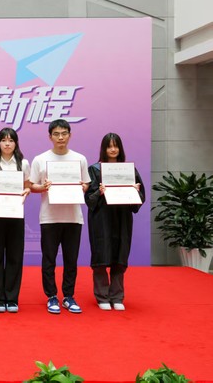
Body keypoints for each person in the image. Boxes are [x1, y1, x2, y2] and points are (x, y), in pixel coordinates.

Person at [29, 119, 90, 314]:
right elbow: (31, 185)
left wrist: (83, 187)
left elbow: (86, 183)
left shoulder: (80, 159)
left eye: (64, 133)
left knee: (71, 260)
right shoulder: (40, 159)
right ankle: (51, 296)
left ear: (70, 135)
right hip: (50, 217)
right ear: (50, 137)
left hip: (73, 217)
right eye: (56, 134)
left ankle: (69, 296)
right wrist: (43, 187)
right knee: (49, 259)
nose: (60, 137)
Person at [85, 133, 145, 311]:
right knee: (101, 256)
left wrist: (135, 191)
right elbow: (89, 199)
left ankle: (117, 296)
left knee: (120, 256)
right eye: (109, 146)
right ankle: (102, 296)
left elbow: (140, 198)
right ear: (103, 149)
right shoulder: (95, 169)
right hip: (101, 219)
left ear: (120, 148)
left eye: (115, 146)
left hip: (122, 218)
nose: (112, 149)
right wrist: (99, 192)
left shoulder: (129, 171)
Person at [0, 128, 31, 313]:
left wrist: (27, 191)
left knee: (14, 256)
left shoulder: (23, 163)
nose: (7, 144)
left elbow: (27, 186)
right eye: (4, 140)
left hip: (15, 213)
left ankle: (11, 298)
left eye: (11, 140)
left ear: (16, 143)